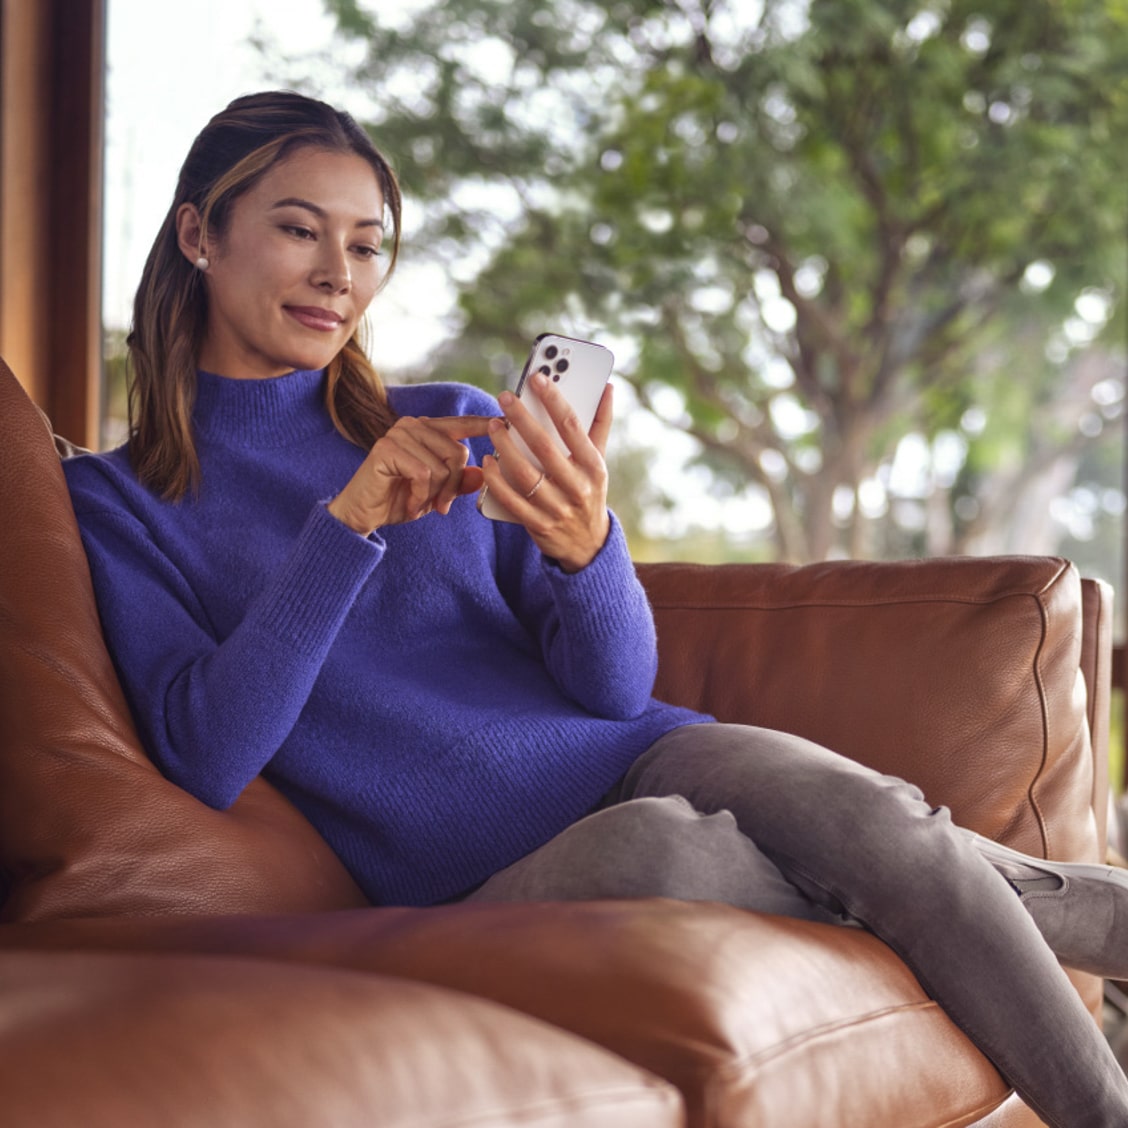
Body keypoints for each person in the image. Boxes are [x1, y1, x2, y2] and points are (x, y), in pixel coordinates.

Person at [65, 90, 1128, 1127]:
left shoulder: (458, 421)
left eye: (369, 244)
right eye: (300, 231)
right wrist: (348, 525)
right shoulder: (114, 503)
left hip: (639, 750)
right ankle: (1087, 908)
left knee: (867, 817)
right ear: (199, 234)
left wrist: (586, 550)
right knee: (671, 853)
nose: (337, 275)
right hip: (483, 872)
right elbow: (208, 749)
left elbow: (614, 690)